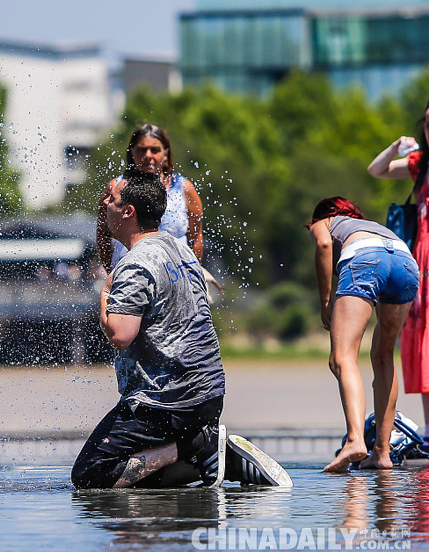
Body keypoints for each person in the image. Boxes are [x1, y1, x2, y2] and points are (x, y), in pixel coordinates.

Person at [71, 169, 291, 489]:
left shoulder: (135, 263)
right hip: (207, 395)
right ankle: (215, 462)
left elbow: (120, 334)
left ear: (128, 211)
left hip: (165, 403)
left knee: (91, 474)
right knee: (138, 473)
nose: (104, 203)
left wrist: (106, 293)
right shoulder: (179, 248)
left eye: (111, 199)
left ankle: (198, 447)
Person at [306, 197, 419, 471]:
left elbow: (323, 244)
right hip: (406, 264)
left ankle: (355, 440)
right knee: (383, 358)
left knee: (341, 358)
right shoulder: (369, 225)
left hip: (366, 261)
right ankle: (382, 452)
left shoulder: (323, 222)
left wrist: (325, 302)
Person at [368, 107, 429, 449]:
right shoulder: (421, 164)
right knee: (421, 340)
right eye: (427, 123)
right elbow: (376, 170)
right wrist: (394, 147)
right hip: (422, 256)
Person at [96, 124, 204, 268]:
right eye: (141, 150)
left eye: (154, 150)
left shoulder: (184, 188)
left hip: (176, 275)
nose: (148, 156)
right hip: (129, 271)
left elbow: (196, 238)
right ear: (132, 152)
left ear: (165, 153)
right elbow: (103, 235)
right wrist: (111, 272)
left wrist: (192, 273)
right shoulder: (116, 188)